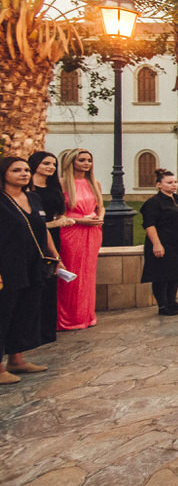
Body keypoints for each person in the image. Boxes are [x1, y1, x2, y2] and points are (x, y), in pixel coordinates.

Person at [0, 156, 60, 384]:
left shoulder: (33, 198)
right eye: (17, 170)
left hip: (33, 263)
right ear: (4, 173)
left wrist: (54, 255)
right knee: (4, 312)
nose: (24, 174)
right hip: (8, 265)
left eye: (26, 170)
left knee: (25, 310)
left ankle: (17, 358)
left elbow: (42, 229)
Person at [57, 148, 104, 330]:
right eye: (82, 160)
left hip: (93, 232)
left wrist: (101, 217)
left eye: (89, 160)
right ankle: (68, 319)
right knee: (71, 274)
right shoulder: (62, 184)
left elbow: (100, 206)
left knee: (88, 274)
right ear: (71, 162)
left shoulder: (94, 183)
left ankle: (87, 316)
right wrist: (80, 220)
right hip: (71, 231)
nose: (86, 163)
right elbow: (58, 213)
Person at [28, 151, 69, 347]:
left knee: (50, 281)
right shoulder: (28, 192)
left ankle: (47, 330)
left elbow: (56, 213)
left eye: (53, 164)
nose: (51, 167)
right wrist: (55, 224)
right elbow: (33, 222)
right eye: (46, 163)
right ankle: (32, 332)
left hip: (52, 238)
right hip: (33, 238)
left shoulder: (53, 188)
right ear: (35, 164)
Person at [141, 169, 178, 316]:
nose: (174, 185)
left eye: (175, 182)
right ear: (159, 184)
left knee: (175, 273)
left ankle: (172, 301)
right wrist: (157, 244)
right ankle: (162, 305)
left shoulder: (177, 200)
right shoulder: (154, 203)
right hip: (163, 241)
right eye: (169, 183)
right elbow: (149, 225)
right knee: (161, 274)